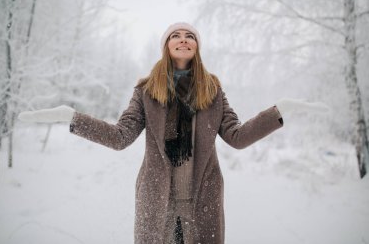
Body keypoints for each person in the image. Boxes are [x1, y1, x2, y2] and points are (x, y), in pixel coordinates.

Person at [19, 22, 328, 244]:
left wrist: (279, 112)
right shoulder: (146, 90)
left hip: (201, 199)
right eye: (175, 36)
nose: (183, 39)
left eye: (190, 36)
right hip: (157, 201)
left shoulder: (213, 91)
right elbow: (119, 137)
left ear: (197, 46)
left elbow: (237, 137)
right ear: (166, 46)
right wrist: (71, 117)